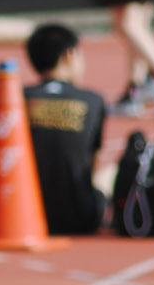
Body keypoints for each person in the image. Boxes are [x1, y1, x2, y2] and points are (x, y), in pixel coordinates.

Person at [23, 23, 109, 235]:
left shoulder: (16, 97)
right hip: (80, 219)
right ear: (69, 55)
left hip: (23, 217)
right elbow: (91, 166)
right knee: (109, 174)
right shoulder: (94, 100)